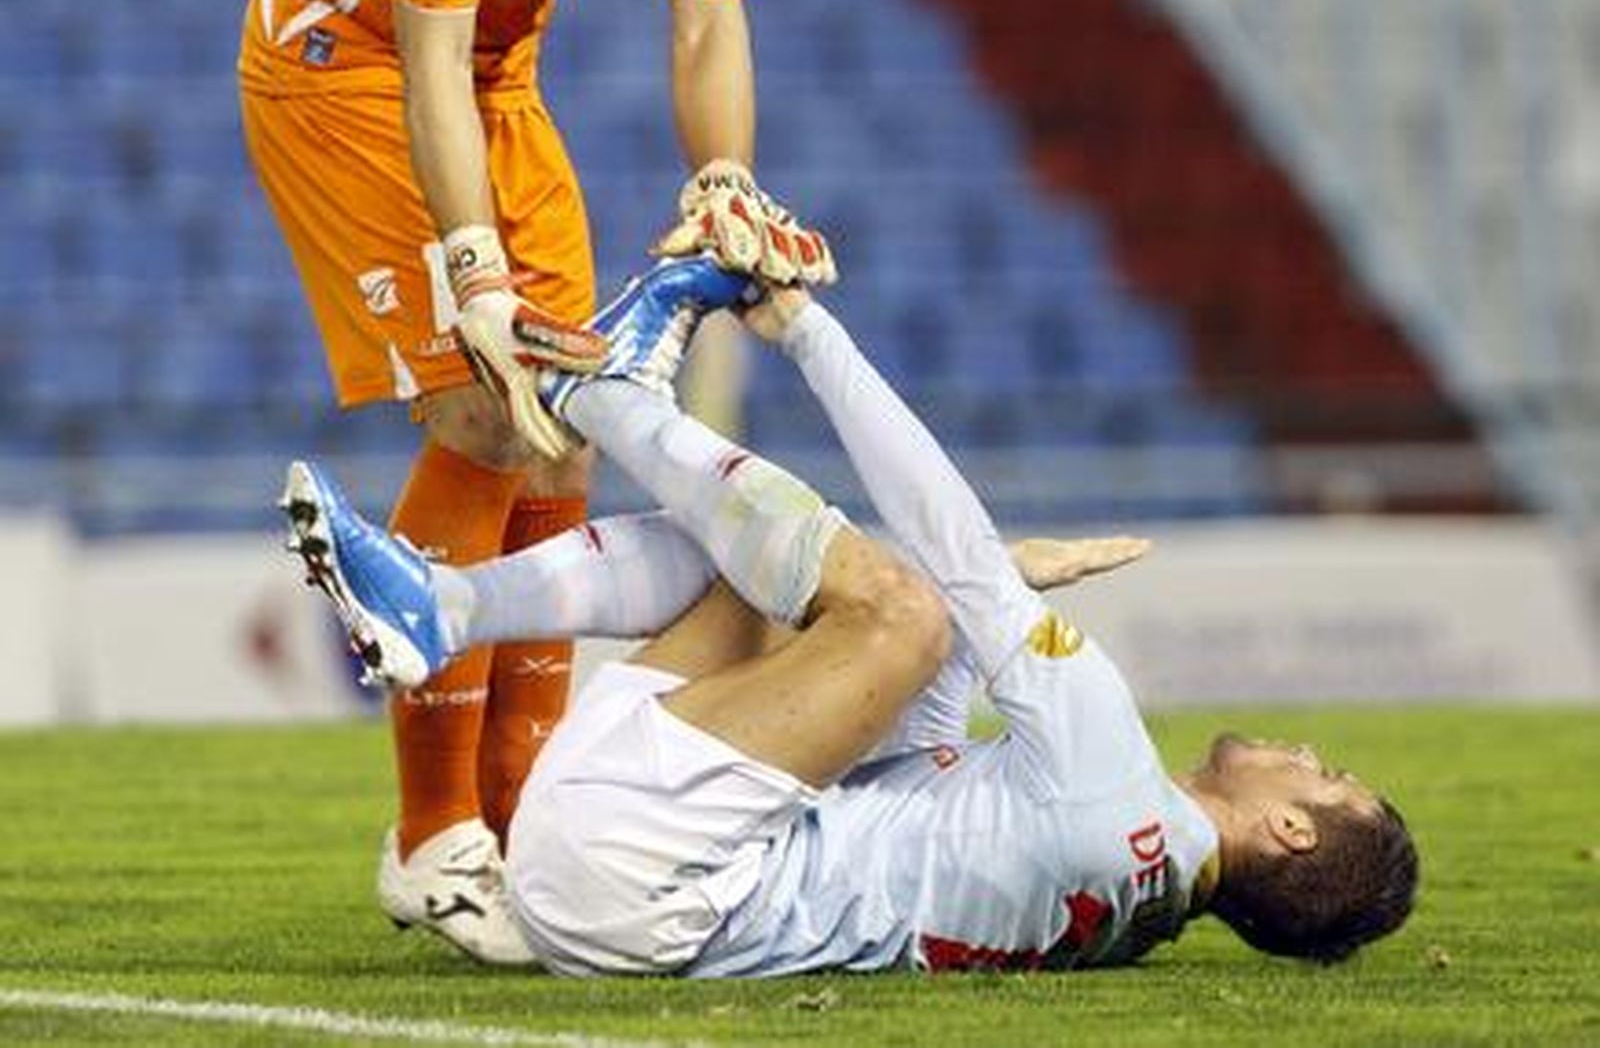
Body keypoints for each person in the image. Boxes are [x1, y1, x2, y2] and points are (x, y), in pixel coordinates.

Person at [238, 0, 833, 964]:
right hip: (344, 68)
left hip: (495, 83)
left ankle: (525, 823)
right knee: (491, 416)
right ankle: (433, 841)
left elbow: (705, 6)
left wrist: (726, 178)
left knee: (571, 427)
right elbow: (423, 50)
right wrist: (475, 274)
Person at [282, 257, 1419, 976]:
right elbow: (910, 771)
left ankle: (604, 392)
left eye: (1325, 779)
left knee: (892, 597)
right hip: (619, 915)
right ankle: (445, 604)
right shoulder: (1136, 909)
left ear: (1291, 834)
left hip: (640, 865)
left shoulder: (1113, 776)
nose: (1309, 757)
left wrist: (804, 333)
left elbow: (947, 547)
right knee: (782, 572)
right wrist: (970, 614)